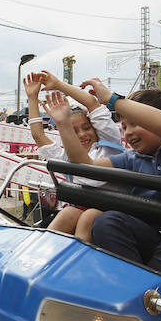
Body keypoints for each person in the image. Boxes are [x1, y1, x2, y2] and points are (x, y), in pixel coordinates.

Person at [43, 79, 161, 302]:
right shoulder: (133, 158)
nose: (128, 133)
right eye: (124, 127)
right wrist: (63, 124)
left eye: (134, 124)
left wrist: (112, 100)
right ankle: (121, 294)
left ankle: (140, 298)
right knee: (106, 222)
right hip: (156, 236)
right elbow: (86, 166)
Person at [24, 70, 123, 241]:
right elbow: (39, 136)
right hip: (80, 212)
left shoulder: (110, 144)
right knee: (67, 214)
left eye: (86, 127)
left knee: (87, 217)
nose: (82, 135)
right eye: (73, 131)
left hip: (112, 212)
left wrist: (59, 85)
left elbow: (92, 104)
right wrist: (33, 98)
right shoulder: (67, 158)